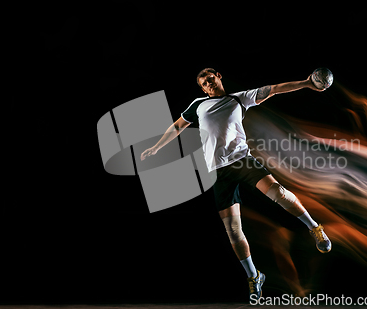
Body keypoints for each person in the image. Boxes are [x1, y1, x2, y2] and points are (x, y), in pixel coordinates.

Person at [141, 68, 331, 300]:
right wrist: (157, 147)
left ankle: (314, 228)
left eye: (210, 78)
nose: (208, 83)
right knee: (233, 230)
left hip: (242, 162)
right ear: (202, 89)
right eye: (204, 83)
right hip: (217, 172)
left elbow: (275, 89)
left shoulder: (239, 98)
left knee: (279, 194)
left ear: (218, 76)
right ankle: (254, 276)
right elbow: (177, 127)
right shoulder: (198, 105)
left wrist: (306, 83)